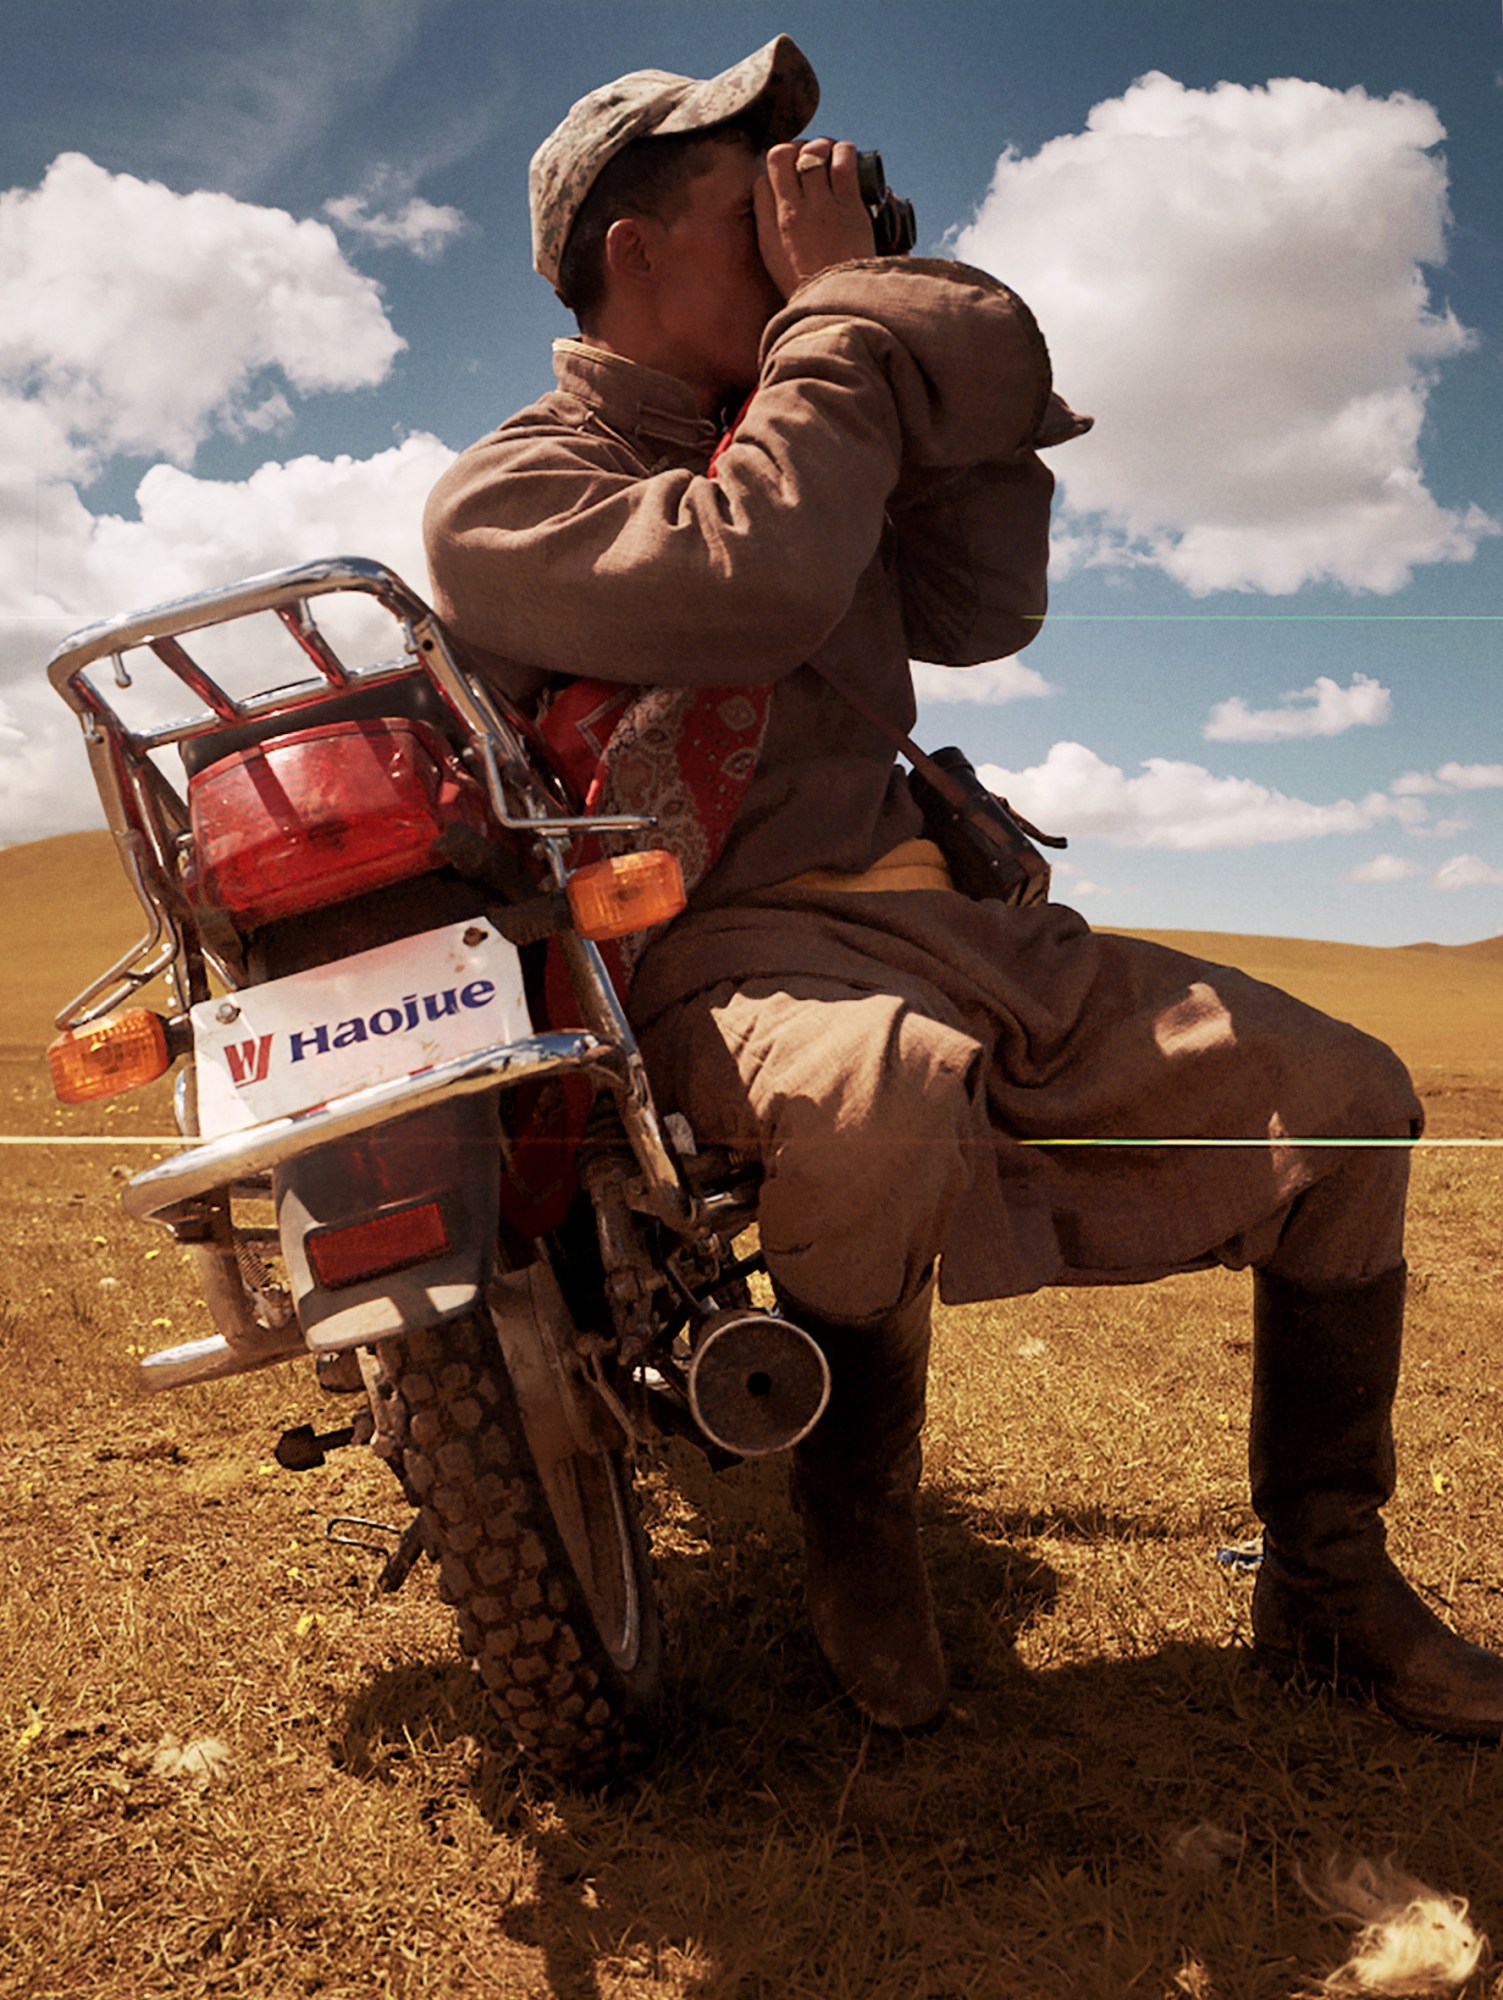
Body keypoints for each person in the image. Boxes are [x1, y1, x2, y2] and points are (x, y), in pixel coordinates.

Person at [424, 34, 1503, 1739]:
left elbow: (985, 608)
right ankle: (860, 1532)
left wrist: (941, 380)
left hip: (973, 930)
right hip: (735, 954)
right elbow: (757, 577)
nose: (801, 240)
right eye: (752, 215)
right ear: (631, 254)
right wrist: (844, 327)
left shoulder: (813, 412)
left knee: (1352, 1100)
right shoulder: (510, 497)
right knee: (879, 1092)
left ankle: (1327, 1576)